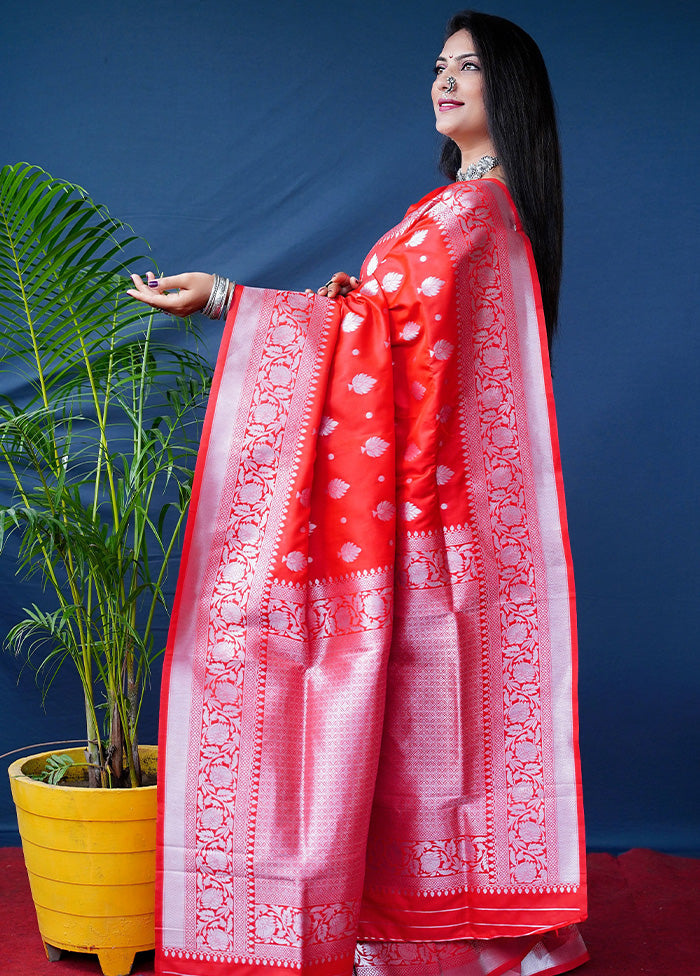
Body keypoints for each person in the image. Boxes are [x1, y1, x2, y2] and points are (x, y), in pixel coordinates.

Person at [129, 11, 587, 976]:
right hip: (441, 515)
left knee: (410, 728)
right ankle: (485, 926)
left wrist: (226, 300)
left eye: (469, 66)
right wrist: (329, 310)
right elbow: (383, 331)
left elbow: (374, 336)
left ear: (512, 88)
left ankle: (440, 938)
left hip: (418, 518)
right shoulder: (479, 213)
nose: (445, 80)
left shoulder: (467, 217)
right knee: (436, 734)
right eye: (438, 65)